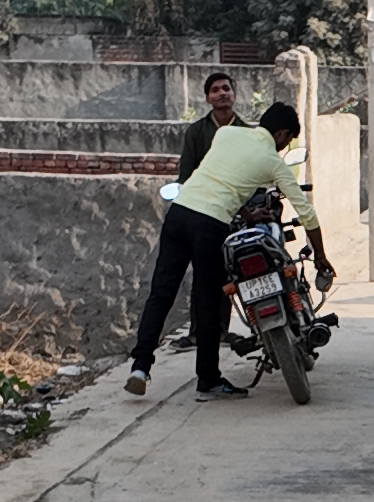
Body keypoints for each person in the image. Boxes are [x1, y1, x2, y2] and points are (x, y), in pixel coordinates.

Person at [124, 98, 329, 400]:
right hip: (211, 225)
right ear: (283, 134)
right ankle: (208, 379)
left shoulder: (227, 134)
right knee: (207, 302)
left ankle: (140, 367)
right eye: (287, 142)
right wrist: (321, 257)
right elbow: (307, 214)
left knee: (161, 292)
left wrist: (246, 214)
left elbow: (222, 176)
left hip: (179, 214)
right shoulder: (273, 162)